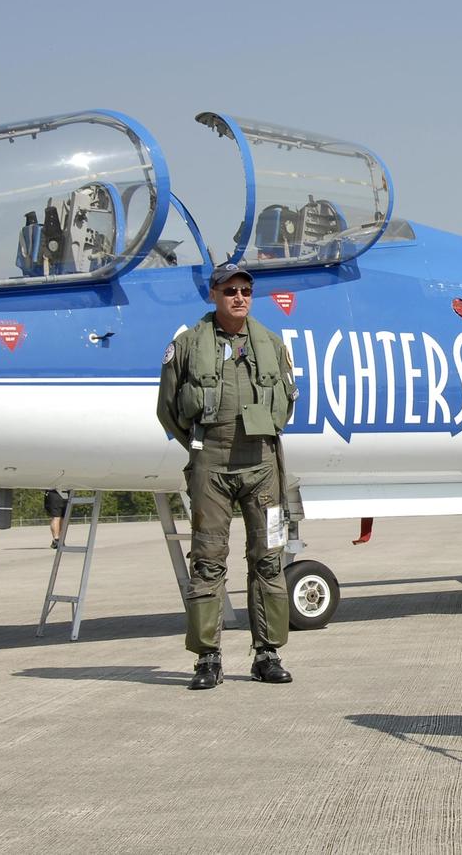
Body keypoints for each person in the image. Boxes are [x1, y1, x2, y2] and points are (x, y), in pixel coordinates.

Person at [156, 263, 299, 690]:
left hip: (262, 466)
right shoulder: (186, 345)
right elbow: (167, 409)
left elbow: (287, 403)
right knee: (207, 560)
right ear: (213, 295)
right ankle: (207, 658)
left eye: (245, 291)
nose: (239, 297)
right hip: (211, 466)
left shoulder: (271, 344)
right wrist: (201, 446)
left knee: (269, 556)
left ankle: (267, 654)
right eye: (230, 290)